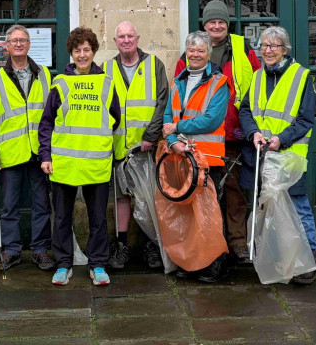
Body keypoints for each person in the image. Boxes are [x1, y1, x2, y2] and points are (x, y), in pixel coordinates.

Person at [175, 0, 260, 262]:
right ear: (204, 24)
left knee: (234, 190)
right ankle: (207, 246)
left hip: (233, 134)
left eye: (221, 21)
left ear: (227, 24)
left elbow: (257, 85)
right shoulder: (191, 53)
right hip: (198, 140)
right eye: (211, 21)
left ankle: (237, 243)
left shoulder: (242, 49)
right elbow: (178, 94)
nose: (216, 25)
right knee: (200, 193)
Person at [39, 27, 125, 287]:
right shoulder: (60, 83)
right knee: (63, 216)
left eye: (87, 49)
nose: (82, 54)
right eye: (78, 50)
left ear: (94, 51)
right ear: (71, 53)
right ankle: (64, 264)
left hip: (96, 161)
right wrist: (46, 155)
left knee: (97, 217)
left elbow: (115, 119)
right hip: (63, 162)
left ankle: (97, 264)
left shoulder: (106, 83)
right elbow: (47, 123)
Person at [239, 25, 316, 285]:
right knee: (266, 207)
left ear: (285, 49)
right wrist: (253, 133)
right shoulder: (257, 76)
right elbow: (245, 111)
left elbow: (306, 120)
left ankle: (308, 262)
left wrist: (281, 140)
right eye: (264, 46)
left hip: (289, 156)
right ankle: (277, 257)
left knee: (297, 206)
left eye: (274, 46)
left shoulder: (302, 76)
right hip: (260, 154)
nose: (268, 50)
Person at [0, 24, 56, 272]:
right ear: (6, 46)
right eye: (13, 41)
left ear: (29, 44)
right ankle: (11, 251)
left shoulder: (46, 75)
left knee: (41, 204)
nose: (18, 44)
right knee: (9, 206)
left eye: (22, 40)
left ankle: (41, 250)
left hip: (39, 152)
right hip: (10, 152)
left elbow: (55, 115)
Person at [163, 30, 232, 283]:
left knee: (210, 216)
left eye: (200, 50)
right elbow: (168, 117)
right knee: (189, 215)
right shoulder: (178, 80)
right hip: (182, 157)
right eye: (191, 49)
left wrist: (177, 130)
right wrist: (172, 143)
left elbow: (211, 120)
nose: (195, 54)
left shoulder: (219, 82)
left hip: (208, 159)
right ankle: (192, 263)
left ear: (208, 53)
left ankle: (215, 265)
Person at [102, 20, 169, 270]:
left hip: (148, 147)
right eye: (121, 37)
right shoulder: (106, 68)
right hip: (119, 147)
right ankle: (121, 246)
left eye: (130, 36)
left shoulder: (154, 65)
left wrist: (151, 137)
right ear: (115, 41)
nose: (126, 40)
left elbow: (163, 102)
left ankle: (152, 245)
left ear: (138, 38)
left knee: (150, 197)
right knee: (121, 198)